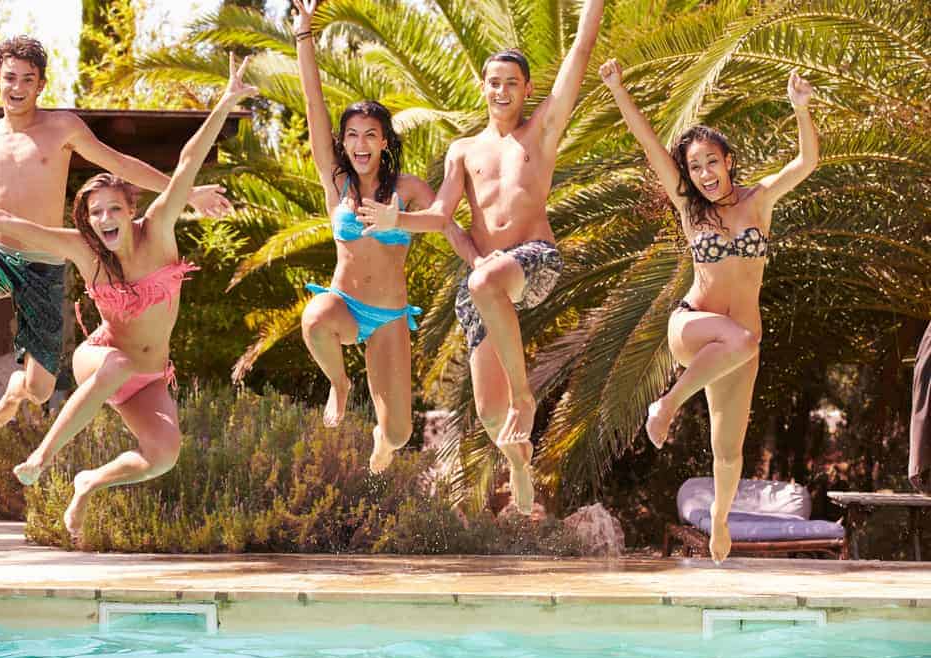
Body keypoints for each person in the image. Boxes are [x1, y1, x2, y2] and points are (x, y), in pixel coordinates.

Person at [0, 54, 257, 545]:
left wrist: (226, 101)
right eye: (95, 212)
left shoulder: (159, 232)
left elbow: (187, 162)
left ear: (132, 211)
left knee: (163, 455)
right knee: (113, 362)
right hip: (102, 357)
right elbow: (13, 225)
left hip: (148, 373)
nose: (105, 219)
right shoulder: (85, 250)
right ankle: (42, 456)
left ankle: (88, 482)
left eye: (113, 210)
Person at [357, 0, 606, 513]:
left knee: (484, 284)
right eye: (494, 81)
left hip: (533, 260)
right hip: (485, 276)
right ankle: (518, 461)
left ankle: (525, 394)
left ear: (528, 89)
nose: (501, 90)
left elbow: (580, 49)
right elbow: (441, 216)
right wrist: (394, 220)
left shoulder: (541, 133)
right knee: (492, 414)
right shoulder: (462, 150)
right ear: (483, 87)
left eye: (511, 82)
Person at [0, 35, 231, 427]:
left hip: (44, 262)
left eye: (27, 79)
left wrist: (188, 193)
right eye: (10, 78)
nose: (17, 88)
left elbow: (120, 164)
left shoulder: (61, 127)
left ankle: (19, 386)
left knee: (40, 390)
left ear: (41, 85)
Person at [599, 58, 818, 561]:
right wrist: (618, 88)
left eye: (711, 163)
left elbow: (805, 163)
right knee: (743, 339)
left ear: (729, 160)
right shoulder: (687, 205)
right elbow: (650, 145)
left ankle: (720, 522)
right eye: (694, 167)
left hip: (737, 350)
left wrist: (802, 111)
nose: (703, 175)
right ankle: (667, 405)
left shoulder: (758, 201)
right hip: (692, 327)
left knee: (728, 449)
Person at [292, 0, 479, 473]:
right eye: (352, 135)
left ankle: (382, 436)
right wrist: (304, 38)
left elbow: (445, 222)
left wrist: (478, 262)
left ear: (385, 142)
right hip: (345, 306)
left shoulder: (407, 189)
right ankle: (340, 385)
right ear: (344, 142)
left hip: (390, 316)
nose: (359, 144)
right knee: (314, 318)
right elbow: (313, 108)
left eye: (370, 135)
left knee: (398, 432)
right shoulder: (337, 184)